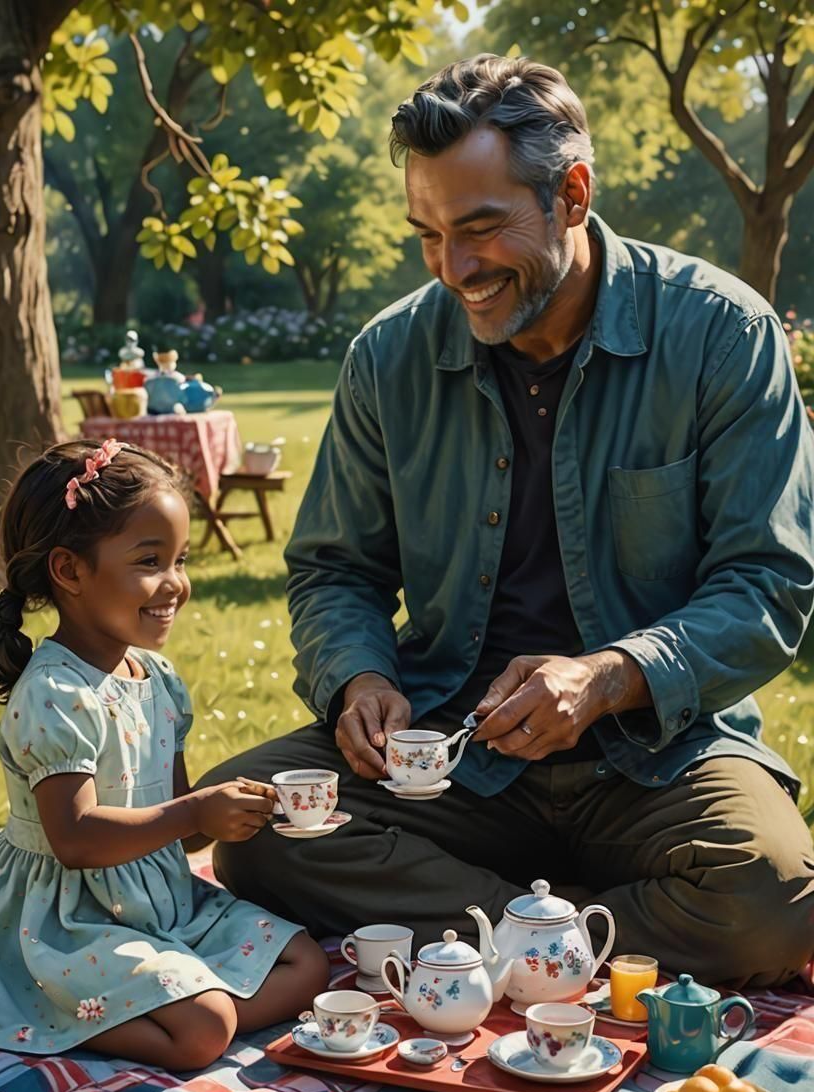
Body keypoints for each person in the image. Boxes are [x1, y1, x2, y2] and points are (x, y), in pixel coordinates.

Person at [197, 54, 814, 987]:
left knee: (771, 898)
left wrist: (610, 676)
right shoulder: (387, 358)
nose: (454, 269)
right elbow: (336, 569)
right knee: (256, 829)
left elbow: (769, 582)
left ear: (572, 193)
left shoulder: (724, 336)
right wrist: (356, 677)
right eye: (428, 236)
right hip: (450, 755)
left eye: (481, 229)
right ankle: (554, 933)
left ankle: (489, 928)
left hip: (655, 752)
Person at [0, 439, 328, 1069]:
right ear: (70, 570)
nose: (176, 584)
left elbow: (179, 836)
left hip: (159, 902)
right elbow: (76, 840)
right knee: (204, 1030)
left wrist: (235, 814)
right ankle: (6, 1000)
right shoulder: (56, 693)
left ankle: (180, 1008)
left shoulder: (158, 679)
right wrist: (194, 814)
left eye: (182, 559)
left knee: (307, 961)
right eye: (150, 560)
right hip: (65, 920)